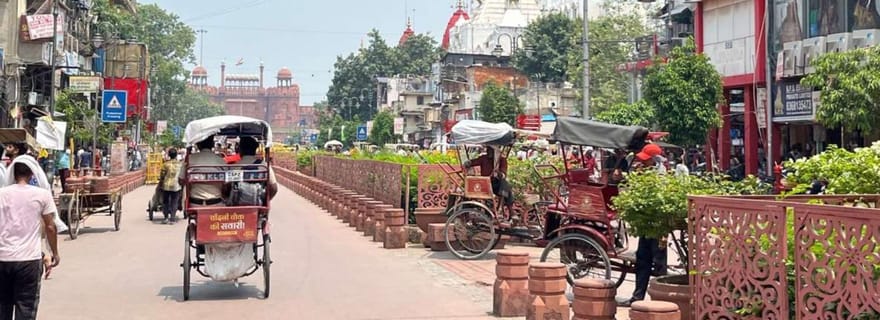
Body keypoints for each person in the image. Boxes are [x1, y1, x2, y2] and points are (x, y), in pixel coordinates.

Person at [0, 160, 60, 320]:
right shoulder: (42, 195)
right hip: (29, 262)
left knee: (2, 308)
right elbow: (50, 227)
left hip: (2, 259)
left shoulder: (1, 194)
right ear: (32, 173)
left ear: (13, 173)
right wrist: (54, 253)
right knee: (25, 309)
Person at [619, 143, 669, 307]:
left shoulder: (660, 175)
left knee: (659, 262)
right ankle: (637, 297)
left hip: (657, 224)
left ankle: (661, 302)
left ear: (654, 160)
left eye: (646, 161)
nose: (643, 163)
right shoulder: (646, 172)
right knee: (642, 260)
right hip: (646, 224)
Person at [464, 147, 514, 218]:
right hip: (484, 184)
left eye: (490, 150)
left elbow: (503, 173)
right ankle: (509, 211)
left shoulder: (502, 159)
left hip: (496, 184)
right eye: (488, 149)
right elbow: (474, 162)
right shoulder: (484, 158)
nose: (488, 151)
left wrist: (499, 173)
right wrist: (467, 163)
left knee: (505, 185)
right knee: (506, 186)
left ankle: (509, 210)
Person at [179, 136, 225, 206]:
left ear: (198, 145)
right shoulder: (221, 160)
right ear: (212, 144)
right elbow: (228, 183)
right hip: (216, 203)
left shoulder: (189, 159)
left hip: (194, 203)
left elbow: (180, 180)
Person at [159, 148, 183, 224]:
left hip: (166, 185)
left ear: (169, 155)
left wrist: (161, 182)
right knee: (174, 202)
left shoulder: (165, 164)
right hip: (176, 185)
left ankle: (166, 218)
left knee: (165, 202)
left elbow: (162, 175)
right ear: (176, 155)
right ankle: (172, 218)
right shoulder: (180, 164)